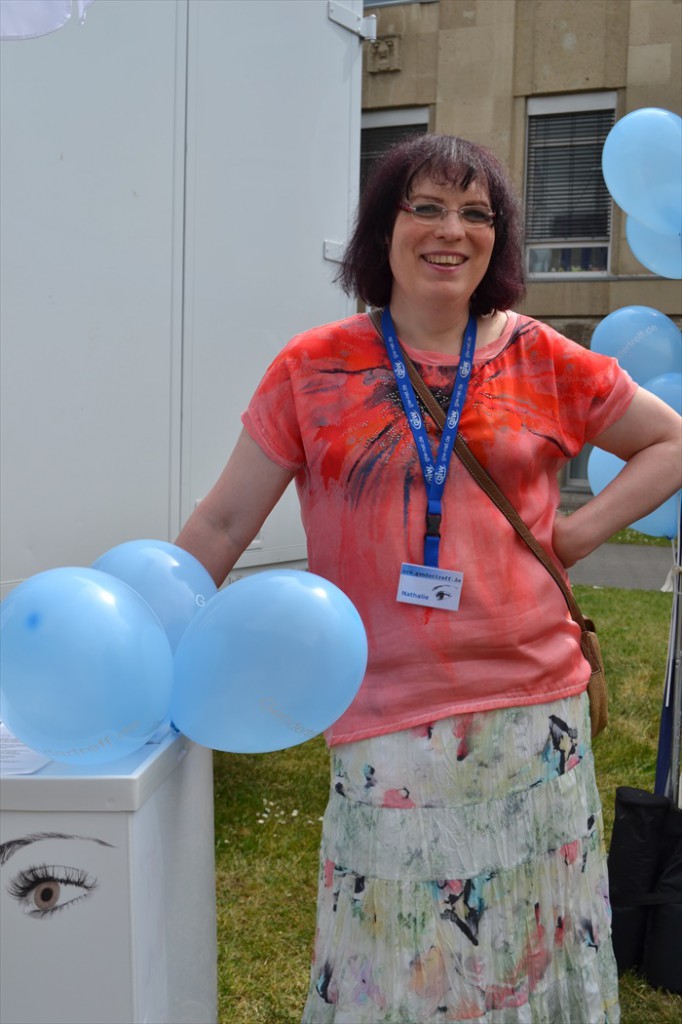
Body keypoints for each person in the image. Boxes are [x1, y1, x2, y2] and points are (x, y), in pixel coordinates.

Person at [176, 134, 682, 1023]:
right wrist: (154, 629)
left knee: (531, 956)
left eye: (477, 214)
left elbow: (669, 439)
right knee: (398, 959)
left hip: (533, 720)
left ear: (498, 240)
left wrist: (573, 535)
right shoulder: (314, 369)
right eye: (428, 207)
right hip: (383, 721)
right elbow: (222, 523)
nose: (453, 231)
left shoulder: (539, 357)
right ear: (386, 228)